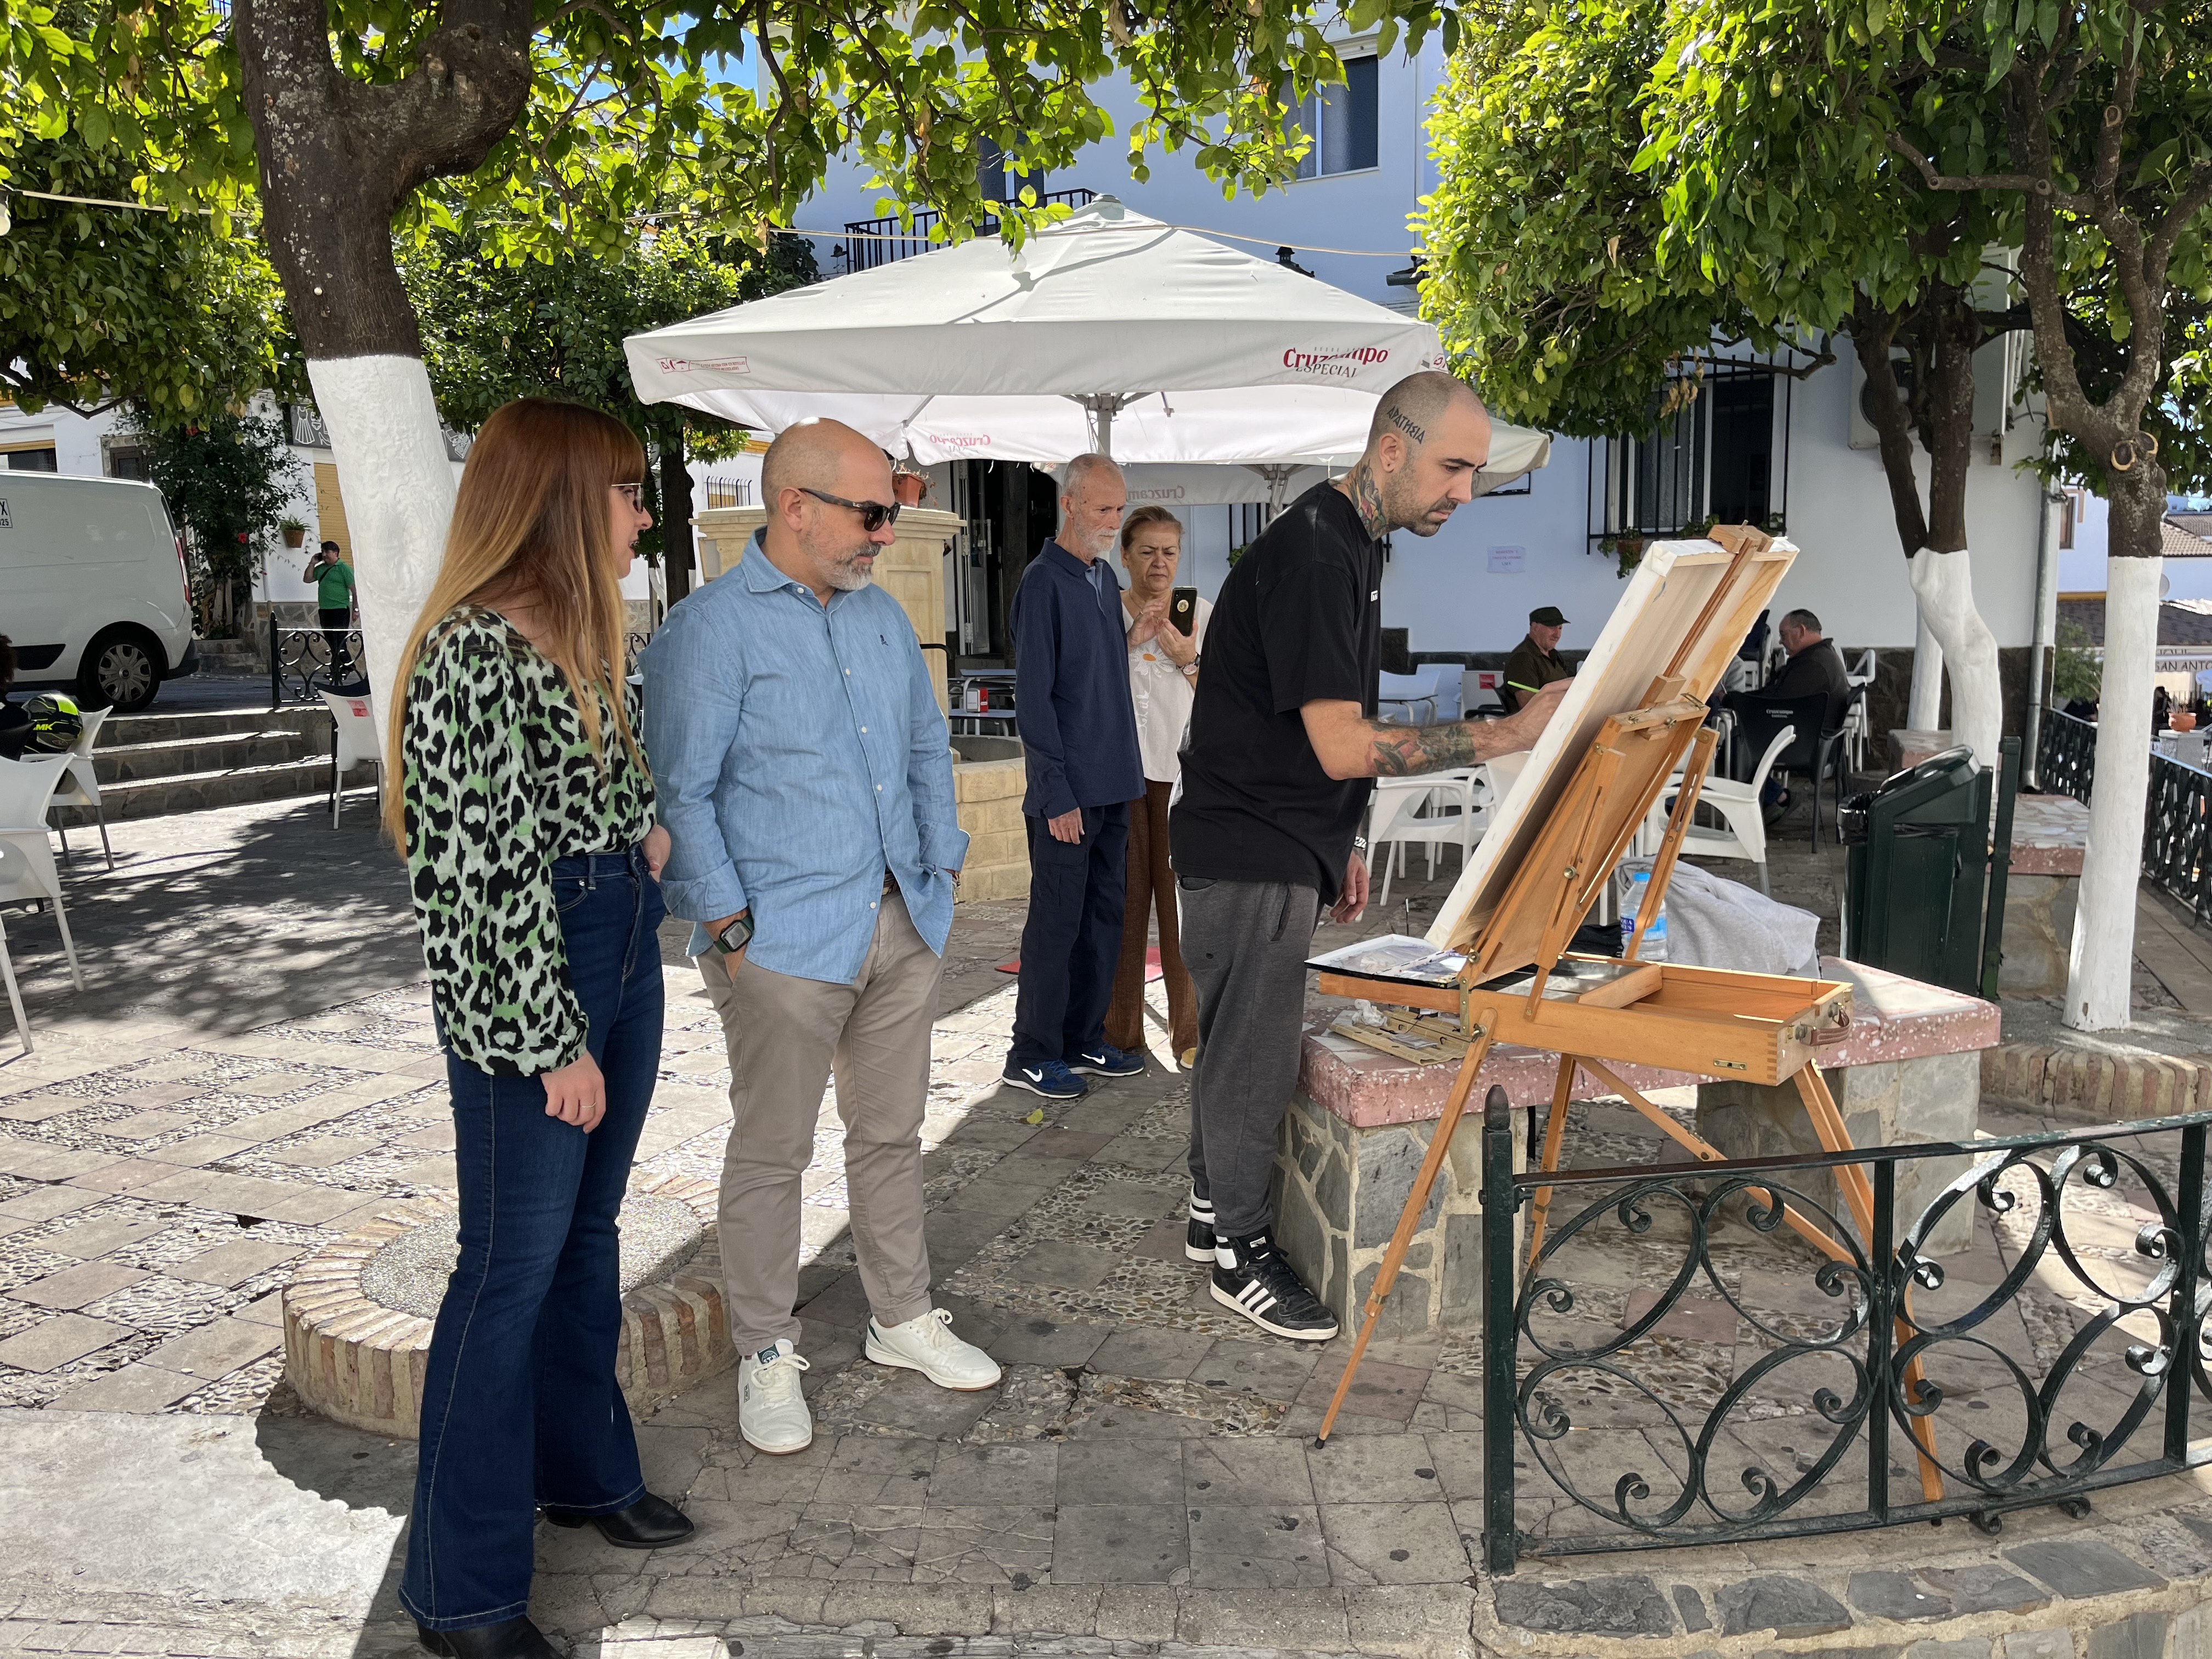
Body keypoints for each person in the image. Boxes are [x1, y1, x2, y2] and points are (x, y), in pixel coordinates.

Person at [385, 398, 690, 1659]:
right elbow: (473, 884)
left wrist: (648, 829)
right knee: (504, 1274)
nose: (641, 515)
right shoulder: (467, 657)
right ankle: (462, 1594)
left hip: (618, 947)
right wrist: (546, 1042)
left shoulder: (592, 638)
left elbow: (610, 791)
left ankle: (582, 1475)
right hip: (538, 980)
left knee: (588, 1242)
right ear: (564, 500)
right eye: (625, 492)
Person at [1170, 370, 1567, 1341]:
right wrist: (1507, 734)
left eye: (1474, 471)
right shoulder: (1317, 551)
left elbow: (1313, 732)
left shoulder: (1351, 540)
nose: (1465, 492)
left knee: (1239, 1039)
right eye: (1454, 467)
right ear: (1391, 447)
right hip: (1247, 843)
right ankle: (1239, 1249)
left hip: (1275, 837)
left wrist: (1336, 837)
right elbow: (1346, 743)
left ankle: (1204, 1209)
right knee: (1252, 1055)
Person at [643, 417, 1000, 1463]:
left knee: (890, 1136)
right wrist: (730, 929)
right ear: (795, 505)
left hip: (901, 922)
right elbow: (683, 791)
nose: (886, 531)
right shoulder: (708, 632)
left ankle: (902, 1315)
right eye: (871, 510)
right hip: (782, 946)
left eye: (889, 510)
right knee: (773, 1150)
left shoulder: (884, 618)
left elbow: (928, 744)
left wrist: (939, 868)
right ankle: (764, 1344)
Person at [1001, 453, 1146, 1101]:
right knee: (1056, 926)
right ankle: (1030, 1052)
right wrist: (1056, 792)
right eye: (1103, 509)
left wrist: (1135, 634)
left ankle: (1081, 1039)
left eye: (1119, 509)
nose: (1113, 522)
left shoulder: (1099, 576)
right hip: (1068, 796)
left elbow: (1093, 679)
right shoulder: (1043, 582)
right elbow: (1034, 700)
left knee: (1103, 923)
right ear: (1070, 504)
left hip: (1115, 785)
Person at [1103, 506, 1208, 1068]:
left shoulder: (1203, 615)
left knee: (1180, 913)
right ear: (1125, 556)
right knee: (1123, 910)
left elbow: (1228, 702)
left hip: (1181, 782)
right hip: (1119, 780)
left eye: (1169, 550)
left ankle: (1188, 1035)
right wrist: (1127, 641)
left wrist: (1187, 660)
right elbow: (1089, 686)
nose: (1160, 562)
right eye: (1147, 551)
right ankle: (1119, 1034)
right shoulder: (1105, 616)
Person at [1502, 605, 1573, 712]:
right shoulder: (1522, 659)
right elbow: (1530, 709)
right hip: (1541, 726)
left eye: (1560, 628)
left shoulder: (1555, 655)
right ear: (1535, 627)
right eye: (1552, 628)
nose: (1557, 635)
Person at [304, 540, 358, 682]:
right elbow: (307, 579)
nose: (324, 555)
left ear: (336, 553)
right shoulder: (321, 568)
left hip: (340, 609)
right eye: (323, 552)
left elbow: (355, 590)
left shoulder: (343, 568)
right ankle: (341, 668)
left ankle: (343, 667)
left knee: (339, 640)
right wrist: (312, 563)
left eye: (327, 552)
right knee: (330, 640)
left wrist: (356, 610)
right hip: (325, 609)